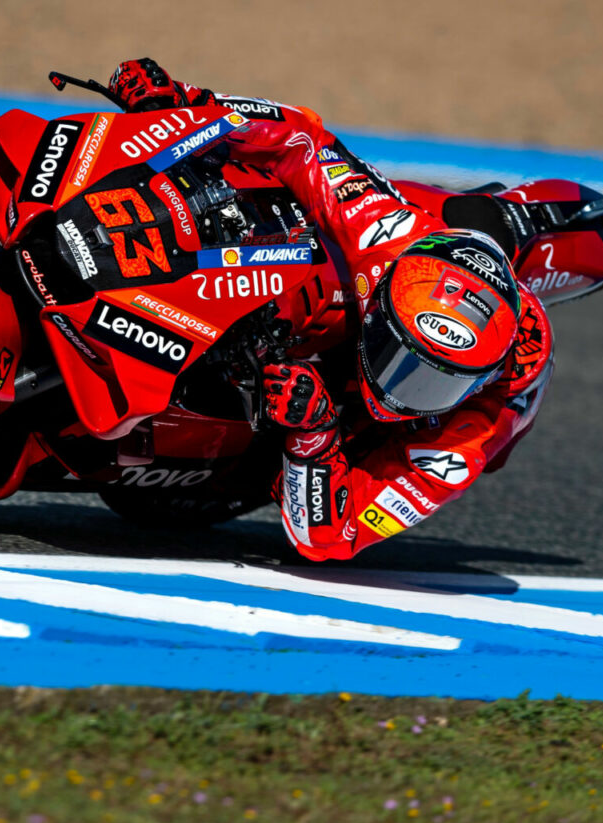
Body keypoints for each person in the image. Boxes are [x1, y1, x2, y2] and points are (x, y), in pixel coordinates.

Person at [106, 59, 554, 562]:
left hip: (388, 420)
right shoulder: (384, 234)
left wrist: (314, 434)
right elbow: (301, 139)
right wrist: (183, 103)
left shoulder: (471, 432)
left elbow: (329, 540)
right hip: (407, 245)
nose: (397, 390)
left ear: (473, 386)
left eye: (432, 384)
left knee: (352, 435)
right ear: (383, 301)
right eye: (397, 357)